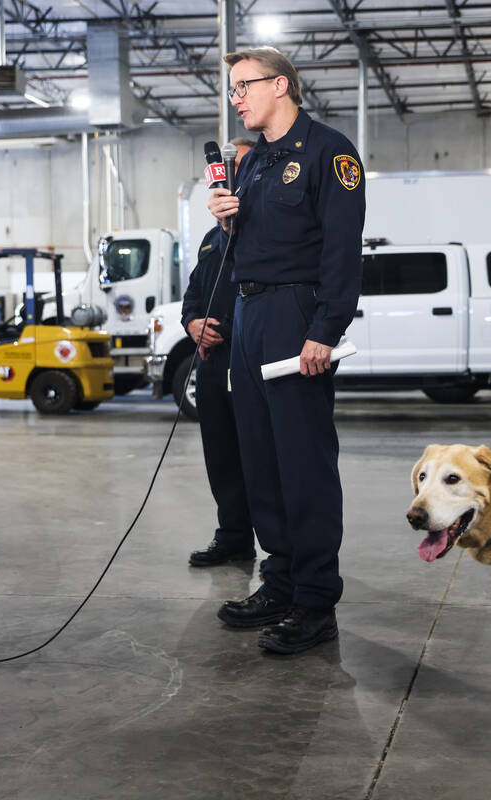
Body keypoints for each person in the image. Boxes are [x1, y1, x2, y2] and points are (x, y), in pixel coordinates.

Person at [208, 47, 365, 655]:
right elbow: (254, 241)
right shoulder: (251, 164)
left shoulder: (330, 152)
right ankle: (279, 581)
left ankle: (315, 599)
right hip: (249, 314)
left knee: (302, 460)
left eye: (243, 86)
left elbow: (342, 250)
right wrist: (225, 220)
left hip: (296, 314)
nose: (236, 98)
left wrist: (325, 329)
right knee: (261, 459)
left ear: (281, 85)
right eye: (231, 90)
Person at [185, 137, 256, 568]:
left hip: (251, 360)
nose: (232, 174)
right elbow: (194, 295)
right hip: (214, 364)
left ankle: (279, 552)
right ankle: (232, 537)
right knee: (222, 456)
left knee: (260, 459)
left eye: (242, 166)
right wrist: (193, 323)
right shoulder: (213, 239)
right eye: (229, 167)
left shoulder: (264, 232)